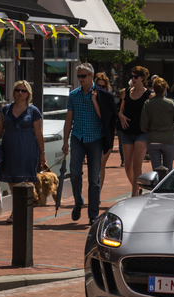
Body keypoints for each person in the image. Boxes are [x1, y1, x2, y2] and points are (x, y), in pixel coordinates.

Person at [62, 63, 117, 225]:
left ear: (91, 76)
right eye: (78, 76)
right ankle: (78, 201)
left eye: (83, 76)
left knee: (94, 179)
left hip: (95, 139)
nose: (80, 79)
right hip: (78, 138)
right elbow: (69, 119)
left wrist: (94, 101)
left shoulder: (101, 95)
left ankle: (93, 214)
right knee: (75, 173)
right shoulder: (74, 95)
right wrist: (65, 140)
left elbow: (106, 119)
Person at [0, 80, 45, 224]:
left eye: (23, 91)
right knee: (12, 182)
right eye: (17, 90)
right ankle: (19, 210)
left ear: (28, 94)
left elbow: (39, 134)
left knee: (23, 182)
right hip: (9, 149)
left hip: (27, 149)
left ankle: (18, 213)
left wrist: (42, 153)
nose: (20, 93)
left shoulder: (33, 111)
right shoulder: (6, 109)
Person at [119, 66, 152, 197]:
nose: (133, 79)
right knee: (127, 166)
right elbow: (121, 110)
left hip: (142, 132)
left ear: (142, 78)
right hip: (127, 132)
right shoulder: (126, 92)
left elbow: (152, 114)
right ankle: (137, 187)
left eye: (135, 77)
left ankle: (134, 195)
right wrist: (120, 115)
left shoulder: (148, 95)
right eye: (131, 76)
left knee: (136, 165)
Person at [140, 77, 174, 172]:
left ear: (154, 89)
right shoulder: (172, 103)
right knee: (168, 169)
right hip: (168, 139)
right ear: (165, 89)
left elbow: (143, 125)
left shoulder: (148, 103)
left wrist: (150, 131)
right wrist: (172, 130)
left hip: (153, 139)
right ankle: (166, 186)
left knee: (156, 170)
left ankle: (157, 185)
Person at [94, 73, 114, 192]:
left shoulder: (108, 98)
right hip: (93, 135)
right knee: (95, 165)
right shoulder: (90, 98)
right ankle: (95, 191)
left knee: (101, 164)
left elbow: (107, 118)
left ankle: (98, 192)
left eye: (104, 86)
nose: (101, 89)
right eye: (98, 86)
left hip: (106, 136)